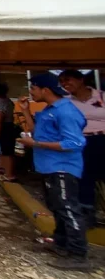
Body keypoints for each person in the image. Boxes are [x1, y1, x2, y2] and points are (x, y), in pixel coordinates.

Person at [17, 73, 88, 271]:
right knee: (57, 206)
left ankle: (78, 253)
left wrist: (36, 143)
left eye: (33, 89)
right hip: (48, 165)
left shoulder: (65, 112)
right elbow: (36, 131)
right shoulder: (50, 109)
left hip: (63, 167)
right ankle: (61, 243)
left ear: (45, 89)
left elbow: (73, 143)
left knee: (68, 208)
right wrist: (25, 112)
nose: (31, 93)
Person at [59, 69, 105, 225]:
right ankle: (87, 212)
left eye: (68, 80)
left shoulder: (101, 96)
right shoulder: (66, 102)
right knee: (84, 177)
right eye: (62, 82)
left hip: (102, 139)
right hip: (81, 141)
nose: (65, 84)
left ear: (81, 80)